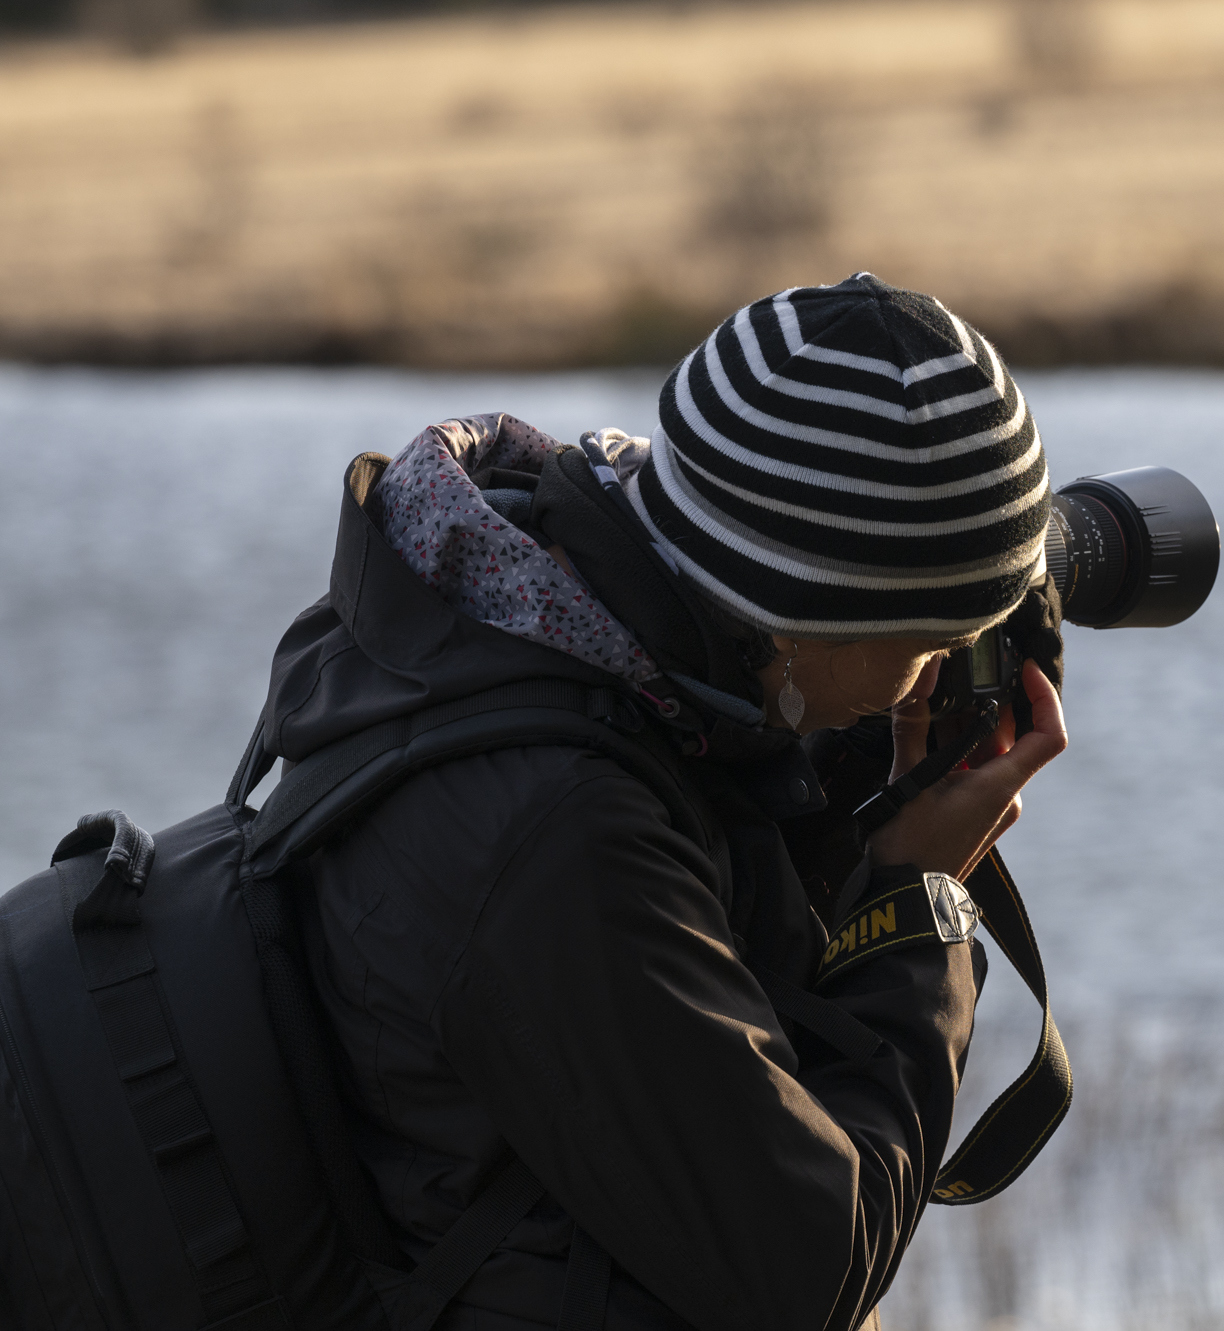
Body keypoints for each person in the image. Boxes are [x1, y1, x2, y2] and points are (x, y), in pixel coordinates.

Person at [256, 273, 1066, 1330]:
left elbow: (707, 978)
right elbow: (810, 1272)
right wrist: (918, 907)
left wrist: (835, 812)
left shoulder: (530, 623)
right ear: (792, 613)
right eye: (925, 643)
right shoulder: (564, 830)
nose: (929, 679)